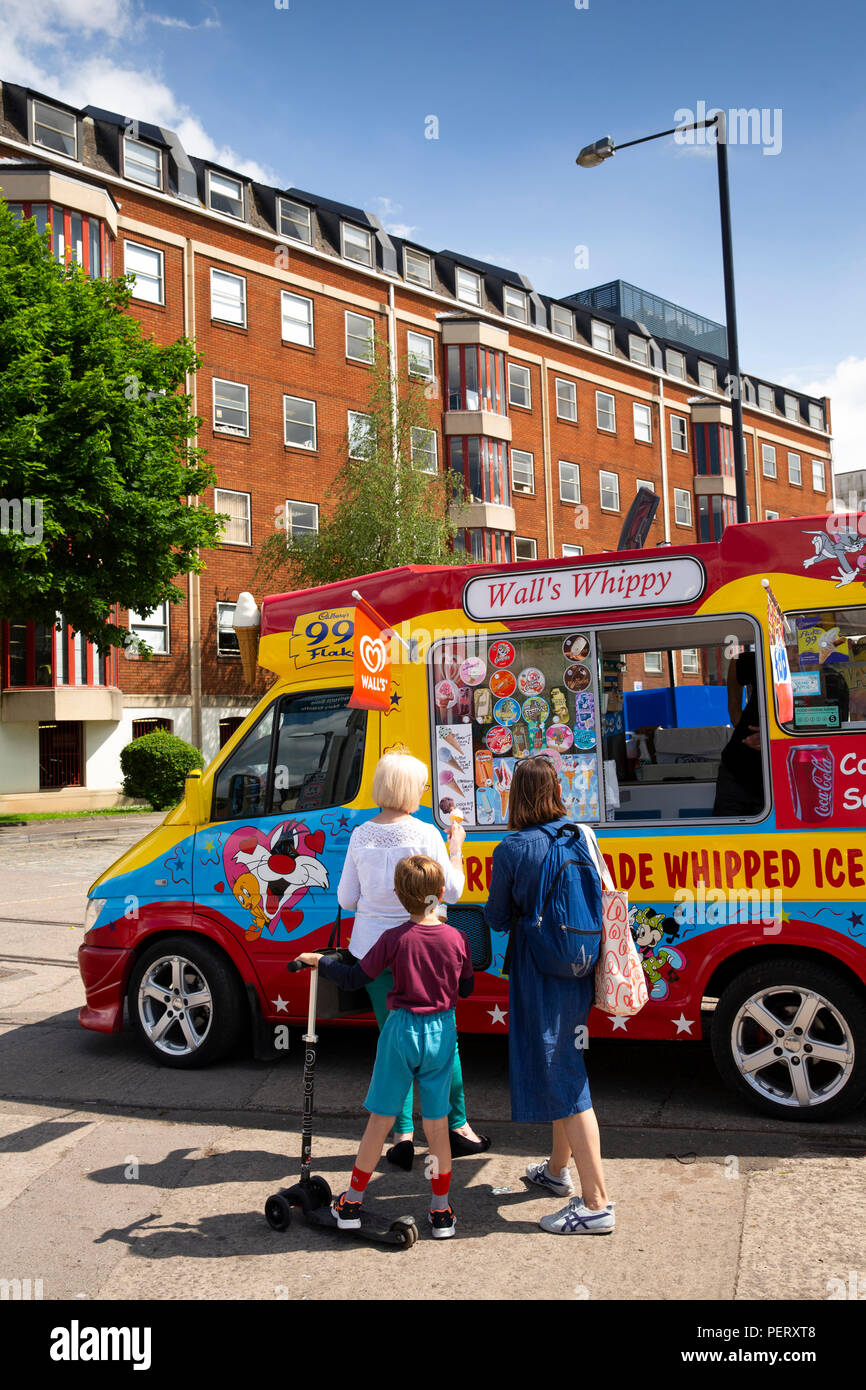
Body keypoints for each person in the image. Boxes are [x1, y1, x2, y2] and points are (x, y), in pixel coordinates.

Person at [295, 855, 474, 1237]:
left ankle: (352, 1202)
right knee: (438, 1124)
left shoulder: (393, 939)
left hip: (401, 1032)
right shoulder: (457, 938)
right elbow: (467, 988)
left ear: (397, 895)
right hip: (443, 1030)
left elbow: (353, 978)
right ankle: (441, 1212)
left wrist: (318, 961)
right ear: (441, 894)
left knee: (381, 1120)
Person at [336, 745, 489, 1168]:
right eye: (421, 784)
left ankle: (400, 1135)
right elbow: (452, 891)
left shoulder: (361, 835)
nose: (424, 790)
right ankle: (456, 1127)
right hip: (425, 950)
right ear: (409, 790)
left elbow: (347, 899)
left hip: (372, 951)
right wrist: (455, 847)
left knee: (392, 1042)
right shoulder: (424, 834)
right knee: (445, 1042)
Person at [484, 756, 614, 1235]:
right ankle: (558, 1172)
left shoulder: (513, 848)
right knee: (563, 1062)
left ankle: (596, 1202)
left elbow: (497, 918)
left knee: (563, 1074)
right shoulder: (581, 835)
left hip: (538, 969)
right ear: (558, 790)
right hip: (578, 965)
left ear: (515, 795)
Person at [713, 650, 763, 816]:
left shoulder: (830, 677)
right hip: (738, 769)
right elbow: (738, 662)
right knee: (728, 835)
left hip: (784, 774)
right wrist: (735, 713)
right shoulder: (770, 658)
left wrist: (776, 738)